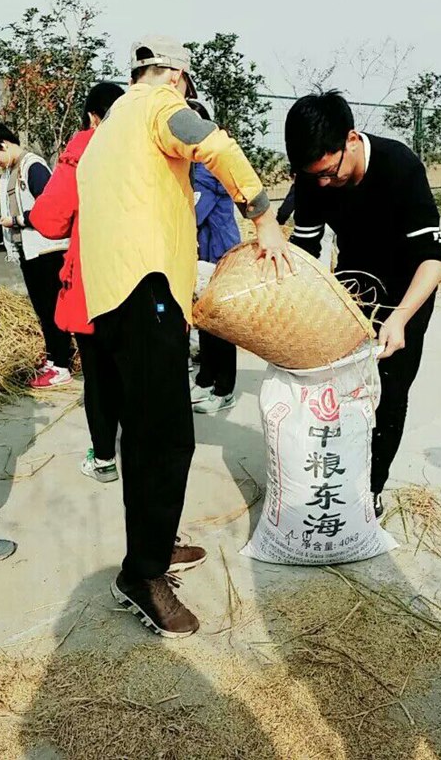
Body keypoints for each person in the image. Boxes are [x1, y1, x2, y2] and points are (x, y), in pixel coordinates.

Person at [77, 36, 292, 638]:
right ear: (175, 76)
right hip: (148, 292)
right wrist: (264, 218)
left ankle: (155, 543)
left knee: (144, 429)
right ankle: (142, 575)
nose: (188, 98)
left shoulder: (107, 131)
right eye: (189, 87)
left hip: (113, 297)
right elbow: (214, 143)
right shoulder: (155, 106)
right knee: (166, 437)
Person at [284, 91, 441, 519]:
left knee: (390, 392)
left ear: (351, 140)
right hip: (352, 288)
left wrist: (401, 318)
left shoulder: (400, 166)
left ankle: (371, 487)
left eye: (329, 172)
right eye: (312, 176)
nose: (322, 183)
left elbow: (433, 258)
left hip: (406, 293)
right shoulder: (313, 175)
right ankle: (334, 475)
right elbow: (304, 248)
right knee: (336, 388)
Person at [28, 82, 125, 483]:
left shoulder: (86, 146)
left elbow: (49, 220)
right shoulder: (156, 147)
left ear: (92, 116)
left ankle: (104, 458)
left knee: (100, 376)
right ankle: (143, 455)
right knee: (139, 372)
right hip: (151, 282)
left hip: (96, 283)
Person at [0, 124, 72, 388]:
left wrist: (17, 221)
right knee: (42, 310)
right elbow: (8, 212)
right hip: (29, 251)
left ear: (4, 144)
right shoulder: (10, 172)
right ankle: (53, 358)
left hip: (46, 250)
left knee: (51, 309)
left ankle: (61, 365)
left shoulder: (32, 167)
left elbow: (50, 209)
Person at [186, 99, 241, 414]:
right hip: (203, 254)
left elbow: (194, 214)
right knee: (203, 320)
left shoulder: (208, 166)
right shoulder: (195, 165)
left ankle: (225, 388)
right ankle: (206, 379)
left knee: (220, 324)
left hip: (218, 254)